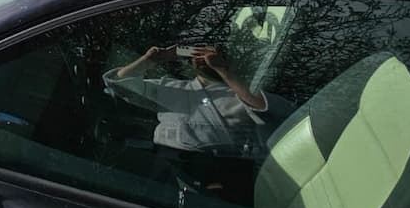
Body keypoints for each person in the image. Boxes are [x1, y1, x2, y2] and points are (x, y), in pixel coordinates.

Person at [104, 44, 286, 157]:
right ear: (190, 61)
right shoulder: (170, 87)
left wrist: (224, 72)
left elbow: (271, 113)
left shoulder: (241, 95)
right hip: (165, 166)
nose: (205, 58)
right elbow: (119, 85)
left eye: (211, 54)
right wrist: (149, 60)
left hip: (223, 172)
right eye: (197, 53)